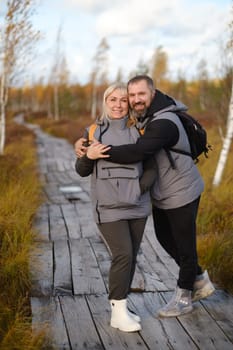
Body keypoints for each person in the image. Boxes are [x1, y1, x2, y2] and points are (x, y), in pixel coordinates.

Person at [75, 75, 215, 318]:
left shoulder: (164, 122)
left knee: (184, 244)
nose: (135, 99)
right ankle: (200, 279)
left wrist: (96, 152)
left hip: (181, 190)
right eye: (133, 95)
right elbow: (111, 129)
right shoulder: (145, 116)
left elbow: (137, 151)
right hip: (162, 192)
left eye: (141, 94)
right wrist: (84, 144)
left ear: (153, 93)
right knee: (164, 237)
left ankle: (184, 297)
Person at [75, 83, 152, 332]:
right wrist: (89, 156)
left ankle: (121, 306)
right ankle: (117, 314)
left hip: (137, 205)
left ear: (129, 103)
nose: (118, 105)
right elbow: (81, 170)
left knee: (130, 258)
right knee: (123, 255)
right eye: (112, 100)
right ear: (105, 102)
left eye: (123, 100)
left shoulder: (140, 130)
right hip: (107, 208)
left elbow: (153, 168)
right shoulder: (94, 131)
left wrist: (138, 190)